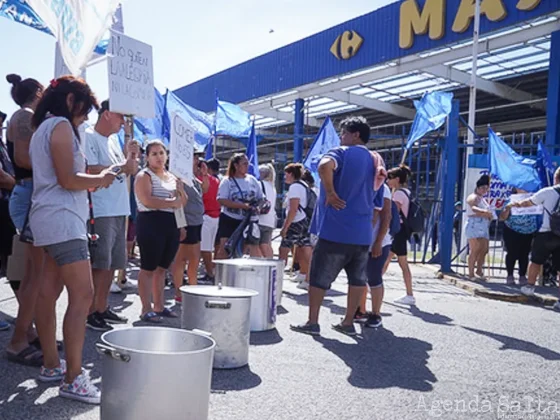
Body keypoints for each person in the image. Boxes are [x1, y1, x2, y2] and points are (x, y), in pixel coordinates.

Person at [29, 76, 117, 403]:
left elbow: (63, 174)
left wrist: (101, 175)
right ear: (70, 101)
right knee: (83, 294)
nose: (85, 117)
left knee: (48, 291)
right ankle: (73, 377)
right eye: (84, 110)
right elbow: (69, 179)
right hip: (64, 219)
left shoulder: (44, 128)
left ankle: (52, 364)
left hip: (47, 219)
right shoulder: (62, 127)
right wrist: (101, 179)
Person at [290, 116, 386, 337]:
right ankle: (348, 322)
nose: (341, 137)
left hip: (335, 229)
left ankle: (312, 321)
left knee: (319, 279)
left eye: (343, 133)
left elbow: (324, 166)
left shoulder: (342, 152)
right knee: (357, 281)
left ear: (355, 135)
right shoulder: (376, 160)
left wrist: (332, 193)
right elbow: (378, 203)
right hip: (362, 234)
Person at [84, 100, 140, 331]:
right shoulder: (89, 136)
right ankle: (89, 312)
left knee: (112, 264)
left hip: (119, 207)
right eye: (120, 117)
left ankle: (101, 307)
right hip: (101, 208)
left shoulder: (114, 140)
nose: (123, 122)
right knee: (100, 263)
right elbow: (91, 169)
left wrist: (130, 149)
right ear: (106, 114)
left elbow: (132, 169)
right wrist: (122, 167)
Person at [4, 74, 45, 366]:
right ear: (39, 92)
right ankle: (20, 340)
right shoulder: (24, 115)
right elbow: (22, 157)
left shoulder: (27, 116)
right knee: (33, 274)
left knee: (35, 274)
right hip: (30, 192)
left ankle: (29, 334)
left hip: (32, 193)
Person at [134, 140, 186, 322]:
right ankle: (145, 308)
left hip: (170, 223)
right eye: (154, 154)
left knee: (162, 268)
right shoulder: (143, 176)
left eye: (161, 153)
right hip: (150, 222)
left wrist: (181, 224)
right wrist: (172, 202)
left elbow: (182, 202)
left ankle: (159, 306)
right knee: (148, 267)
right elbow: (147, 200)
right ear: (147, 157)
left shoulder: (172, 176)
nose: (158, 157)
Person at [511, 167, 560, 297]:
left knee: (536, 261)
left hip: (546, 232)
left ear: (556, 178)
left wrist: (517, 204)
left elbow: (529, 202)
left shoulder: (548, 192)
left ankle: (529, 287)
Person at [171, 151, 208, 302]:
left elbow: (205, 189)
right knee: (181, 259)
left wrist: (204, 174)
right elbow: (177, 203)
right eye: (194, 156)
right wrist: (181, 226)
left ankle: (192, 289)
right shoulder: (179, 177)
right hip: (186, 223)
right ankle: (179, 293)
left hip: (196, 222)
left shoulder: (192, 178)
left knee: (194, 259)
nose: (197, 159)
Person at [215, 153, 263, 259]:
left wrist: (259, 207)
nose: (247, 166)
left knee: (248, 247)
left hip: (248, 220)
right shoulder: (227, 181)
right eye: (244, 164)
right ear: (236, 166)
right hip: (229, 219)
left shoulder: (252, 180)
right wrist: (241, 206)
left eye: (248, 163)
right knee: (224, 247)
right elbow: (221, 200)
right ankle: (220, 273)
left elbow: (261, 198)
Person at [358, 183, 392, 328]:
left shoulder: (382, 188)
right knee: (358, 277)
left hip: (377, 241)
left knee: (374, 276)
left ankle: (376, 313)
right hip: (359, 240)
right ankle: (360, 310)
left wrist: (378, 241)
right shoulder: (360, 184)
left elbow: (386, 217)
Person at [384, 165, 415, 305]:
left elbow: (392, 214)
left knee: (402, 263)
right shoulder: (407, 192)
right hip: (403, 231)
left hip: (399, 231)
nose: (387, 181)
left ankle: (410, 295)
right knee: (386, 259)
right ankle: (372, 284)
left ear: (397, 179)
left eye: (390, 178)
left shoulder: (397, 194)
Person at [279, 163, 313, 289]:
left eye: (286, 174)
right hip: (305, 220)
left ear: (291, 174)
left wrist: (285, 227)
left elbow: (293, 209)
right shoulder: (304, 185)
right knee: (305, 248)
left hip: (296, 222)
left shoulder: (294, 188)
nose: (284, 177)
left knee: (283, 249)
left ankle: (277, 279)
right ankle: (308, 277)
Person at [499, 188, 540, 285]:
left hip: (528, 230)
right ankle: (510, 275)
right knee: (512, 253)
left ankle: (522, 275)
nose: (524, 189)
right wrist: (508, 208)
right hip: (512, 230)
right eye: (521, 187)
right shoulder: (510, 200)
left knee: (524, 254)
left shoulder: (534, 199)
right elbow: (502, 217)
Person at [465, 175, 493, 280]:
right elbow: (473, 207)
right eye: (482, 188)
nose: (484, 190)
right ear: (477, 187)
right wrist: (484, 212)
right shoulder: (473, 197)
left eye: (486, 188)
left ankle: (479, 270)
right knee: (475, 249)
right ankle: (471, 273)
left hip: (483, 224)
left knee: (484, 249)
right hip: (474, 224)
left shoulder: (483, 199)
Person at [199, 157, 221, 282]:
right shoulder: (217, 180)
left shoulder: (202, 180)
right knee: (213, 247)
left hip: (206, 216)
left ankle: (210, 274)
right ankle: (212, 271)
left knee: (205, 248)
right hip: (216, 216)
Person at [258, 163, 277, 259]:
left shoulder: (259, 184)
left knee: (257, 244)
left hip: (260, 219)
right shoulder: (272, 187)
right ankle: (272, 265)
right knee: (267, 244)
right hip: (270, 220)